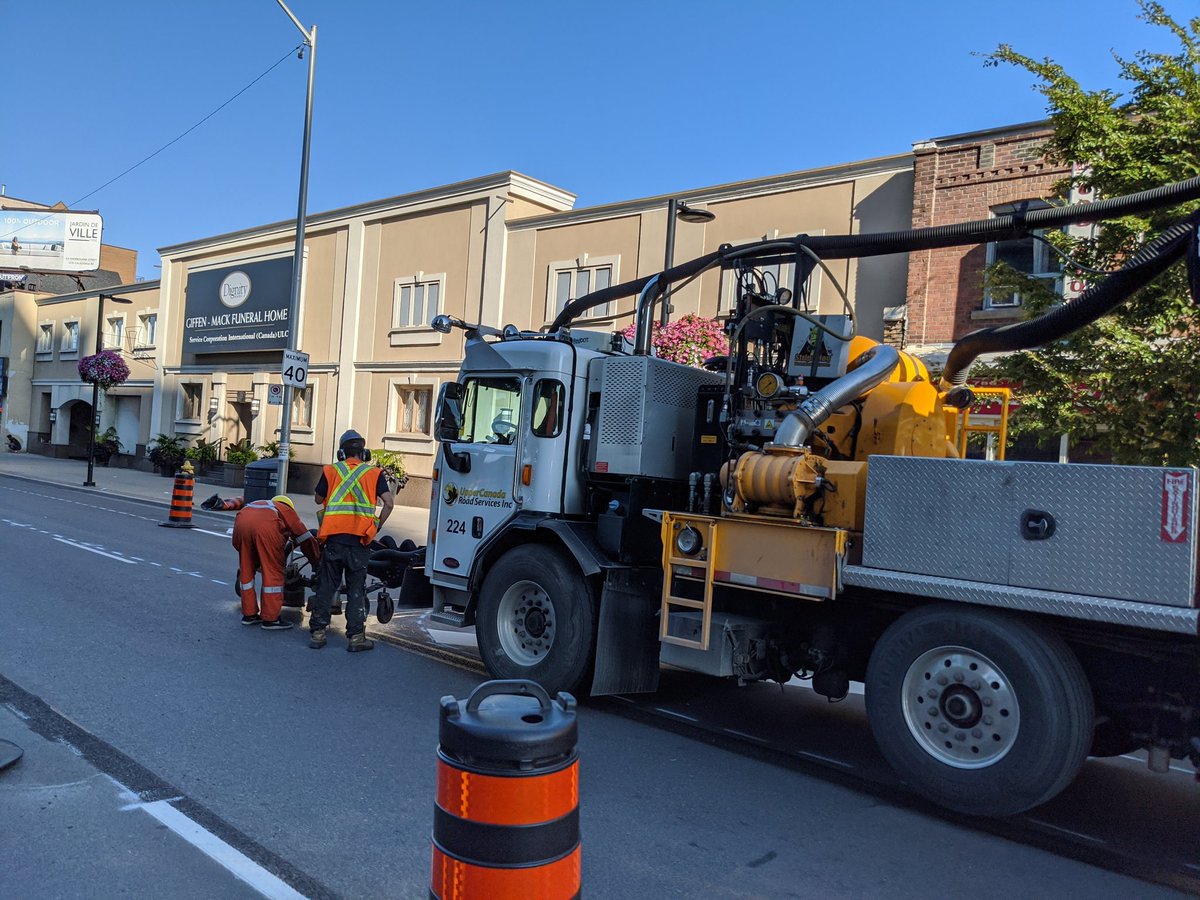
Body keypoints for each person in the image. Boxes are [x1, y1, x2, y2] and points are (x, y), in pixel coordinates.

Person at [308, 429, 394, 651]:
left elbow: (318, 499)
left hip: (334, 539)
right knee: (357, 588)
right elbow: (389, 503)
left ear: (341, 453)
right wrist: (376, 526)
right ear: (364, 453)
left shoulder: (330, 471)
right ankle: (356, 637)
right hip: (360, 542)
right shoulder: (374, 474)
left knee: (327, 585)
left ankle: (318, 633)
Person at [231, 494, 320, 630]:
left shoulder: (260, 503)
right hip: (265, 530)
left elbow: (238, 543)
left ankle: (249, 615)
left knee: (246, 571)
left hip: (241, 525)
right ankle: (271, 619)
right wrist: (315, 560)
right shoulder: (285, 510)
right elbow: (305, 538)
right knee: (273, 572)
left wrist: (252, 557)